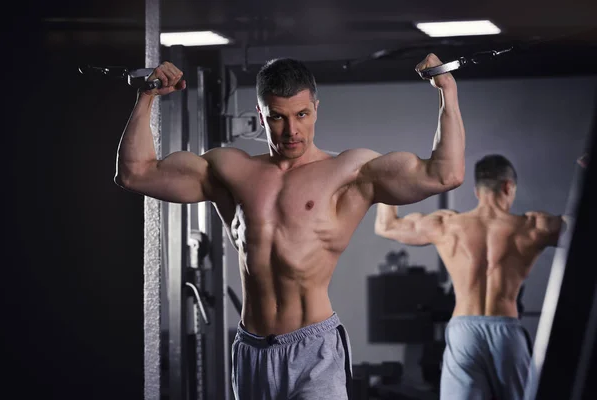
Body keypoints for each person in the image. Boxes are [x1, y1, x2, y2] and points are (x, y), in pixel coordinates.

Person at [115, 54, 466, 399]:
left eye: (302, 114)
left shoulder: (350, 172)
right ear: (261, 115)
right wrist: (146, 96)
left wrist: (446, 89)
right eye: (278, 117)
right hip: (252, 350)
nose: (291, 130)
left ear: (316, 108)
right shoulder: (231, 171)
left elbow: (445, 174)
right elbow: (135, 174)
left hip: (313, 349)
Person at [374, 154, 585, 400]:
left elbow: (386, 226)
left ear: (477, 191)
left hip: (464, 332)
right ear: (508, 186)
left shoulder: (446, 225)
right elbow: (587, 229)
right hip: (506, 331)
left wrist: (384, 178)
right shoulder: (532, 227)